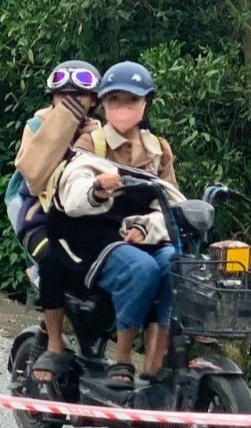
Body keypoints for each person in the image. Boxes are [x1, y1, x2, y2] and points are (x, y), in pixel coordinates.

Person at [35, 60, 183, 390]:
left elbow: (171, 204)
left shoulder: (158, 150)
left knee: (177, 263)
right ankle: (123, 357)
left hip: (136, 236)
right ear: (103, 103)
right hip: (87, 235)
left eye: (131, 100)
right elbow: (71, 192)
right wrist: (97, 188)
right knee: (141, 269)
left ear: (145, 104)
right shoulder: (92, 144)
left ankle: (157, 359)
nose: (123, 108)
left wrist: (145, 227)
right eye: (115, 100)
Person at [9, 60, 102, 356]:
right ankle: (52, 345)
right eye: (63, 96)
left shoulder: (101, 134)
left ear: (94, 101)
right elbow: (34, 178)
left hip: (81, 220)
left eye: (79, 97)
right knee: (53, 260)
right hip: (36, 216)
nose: (71, 101)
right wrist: (65, 121)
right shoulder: (36, 126)